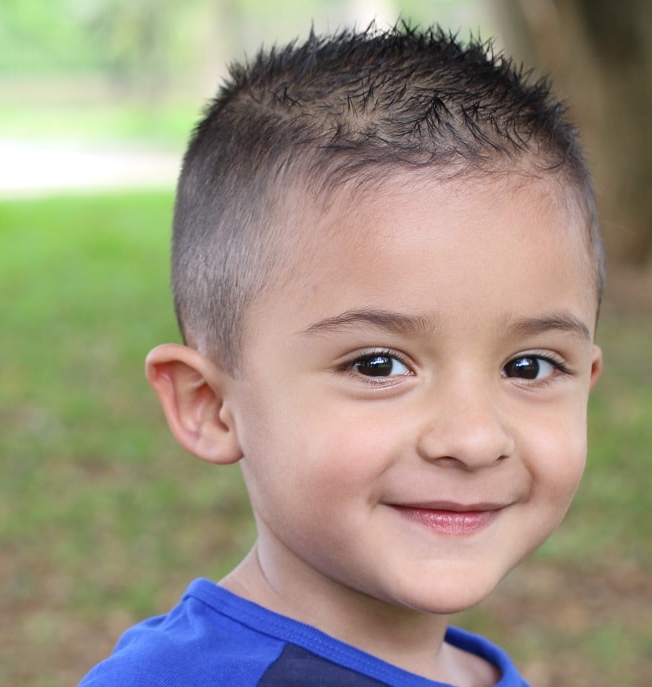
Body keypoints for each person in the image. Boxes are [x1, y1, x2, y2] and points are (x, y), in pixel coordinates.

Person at [79, 23, 604, 687]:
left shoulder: (475, 671)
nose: (473, 438)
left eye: (528, 366)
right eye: (377, 364)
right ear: (209, 405)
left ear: (586, 380)